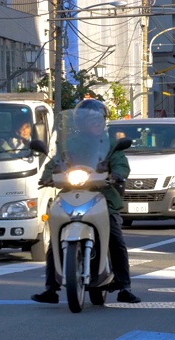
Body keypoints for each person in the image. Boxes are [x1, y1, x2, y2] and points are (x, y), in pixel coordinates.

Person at [31, 99, 141, 304]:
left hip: (104, 196)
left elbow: (120, 163)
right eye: (88, 119)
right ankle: (51, 288)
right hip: (72, 192)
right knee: (55, 236)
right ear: (79, 122)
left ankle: (124, 286)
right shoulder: (70, 142)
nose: (94, 123)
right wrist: (47, 175)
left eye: (97, 119)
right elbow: (57, 160)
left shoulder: (111, 142)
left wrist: (117, 174)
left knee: (116, 238)